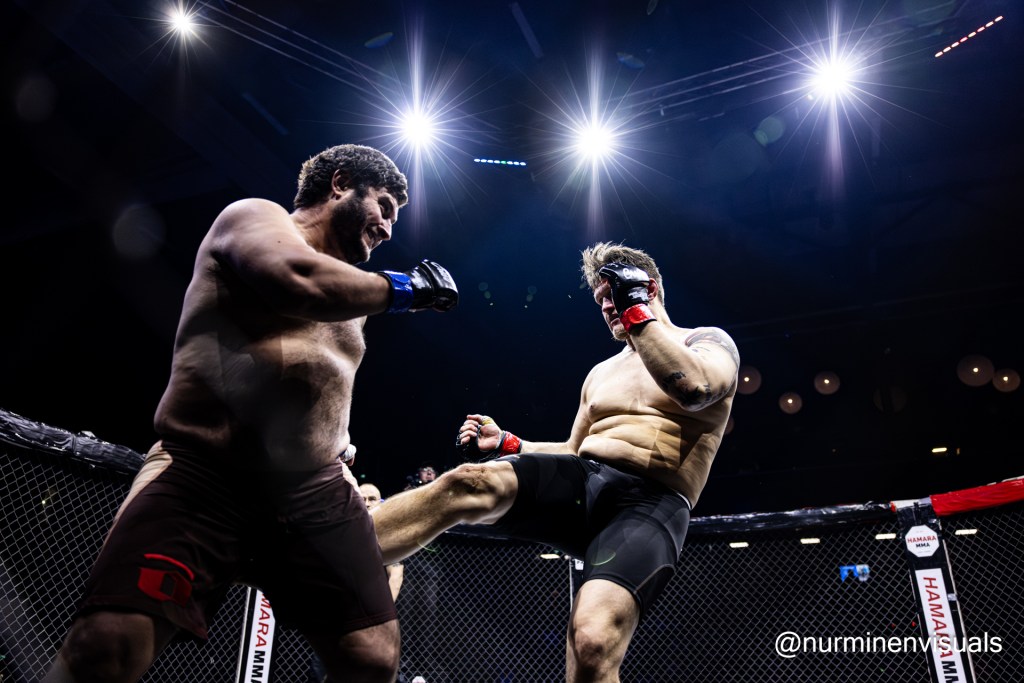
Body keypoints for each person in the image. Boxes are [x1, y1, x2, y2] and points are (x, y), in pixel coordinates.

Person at [44, 144, 458, 683]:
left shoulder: (353, 298)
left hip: (313, 492)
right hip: (206, 475)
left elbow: (322, 371)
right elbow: (296, 282)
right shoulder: (253, 218)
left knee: (372, 658)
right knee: (106, 649)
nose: (387, 228)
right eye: (383, 206)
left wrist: (335, 434)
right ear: (340, 184)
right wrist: (409, 288)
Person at [370, 241, 738, 683]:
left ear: (648, 289)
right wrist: (509, 443)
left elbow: (694, 389)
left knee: (593, 643)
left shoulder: (706, 342)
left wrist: (636, 310)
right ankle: (334, 555)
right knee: (467, 482)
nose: (607, 309)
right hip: (585, 481)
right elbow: (573, 449)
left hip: (652, 503)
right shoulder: (601, 373)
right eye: (601, 302)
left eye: (613, 296)